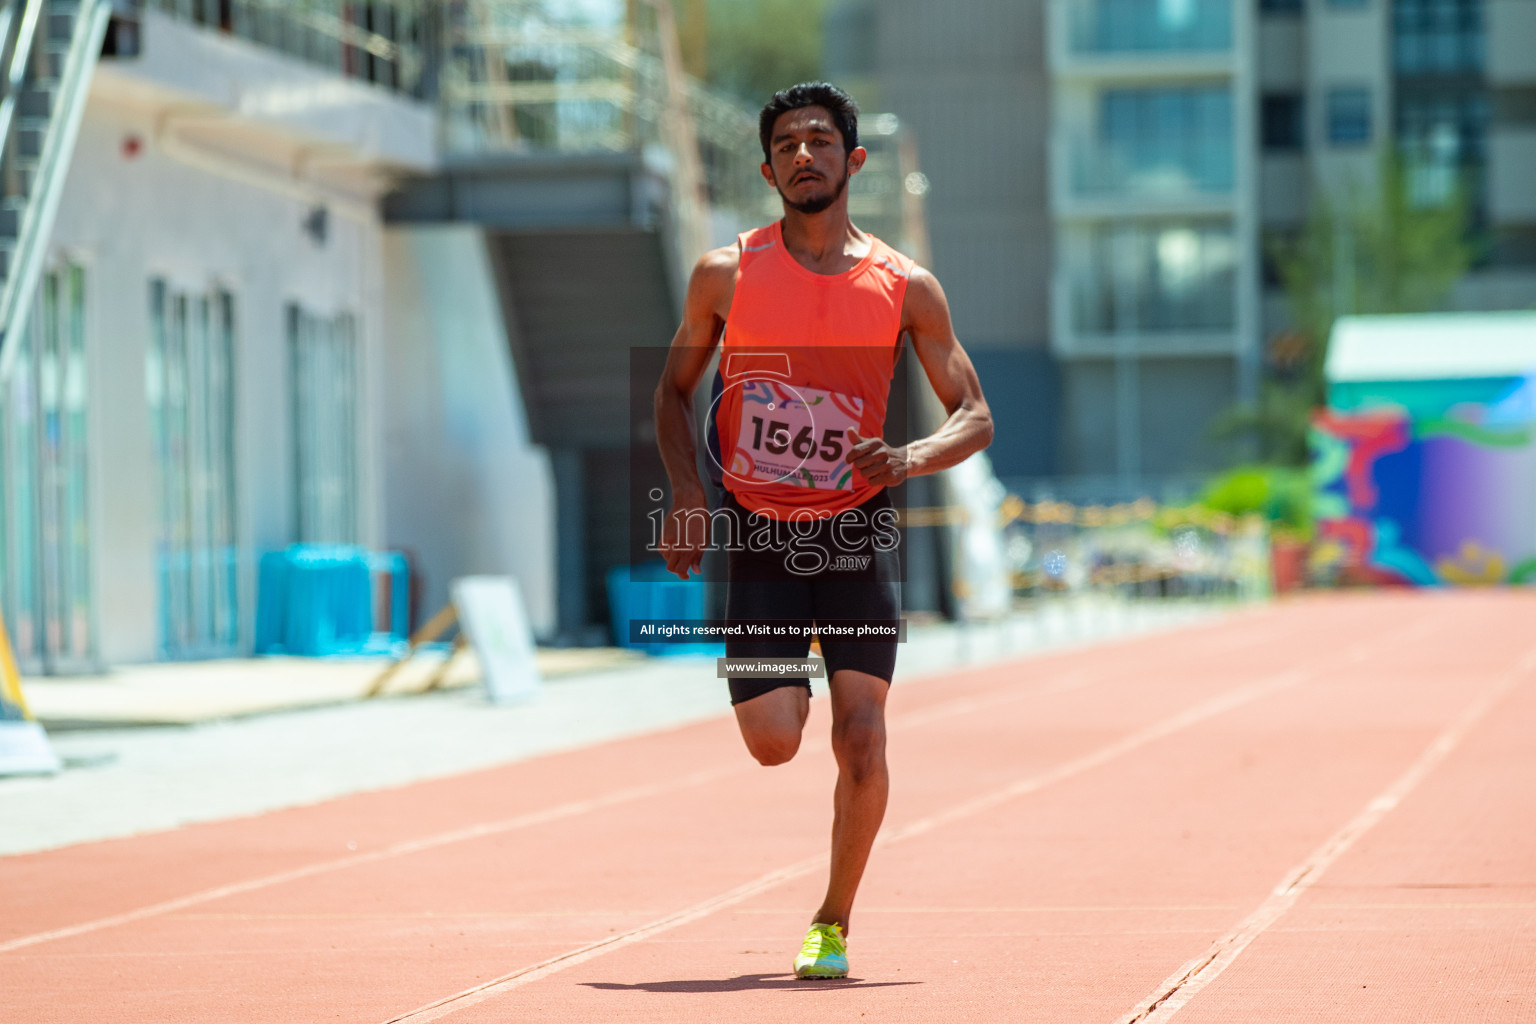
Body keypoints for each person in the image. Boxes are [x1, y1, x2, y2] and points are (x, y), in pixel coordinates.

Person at [652, 82, 993, 979]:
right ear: (768, 170)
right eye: (788, 145)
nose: (805, 154)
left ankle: (831, 921)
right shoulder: (724, 274)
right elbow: (673, 391)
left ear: (853, 160)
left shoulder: (904, 286)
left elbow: (976, 415)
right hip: (759, 532)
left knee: (864, 737)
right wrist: (689, 488)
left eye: (820, 140)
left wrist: (911, 456)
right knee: (773, 743)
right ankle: (790, 675)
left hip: (854, 530)